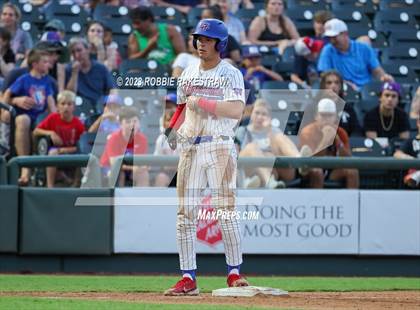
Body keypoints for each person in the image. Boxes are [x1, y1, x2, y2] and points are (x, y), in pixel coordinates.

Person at [163, 18, 248, 295]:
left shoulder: (230, 72)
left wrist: (205, 103)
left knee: (226, 210)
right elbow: (181, 107)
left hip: (220, 145)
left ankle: (234, 273)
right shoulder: (187, 72)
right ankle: (188, 277)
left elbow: (236, 110)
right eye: (199, 38)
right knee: (184, 214)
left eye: (208, 39)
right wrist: (172, 130)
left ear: (220, 44)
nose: (201, 42)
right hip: (191, 147)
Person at [2, 49, 56, 185]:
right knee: (23, 120)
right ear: (35, 64)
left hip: (40, 118)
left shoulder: (47, 81)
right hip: (23, 116)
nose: (49, 65)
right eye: (45, 62)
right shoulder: (24, 79)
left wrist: (55, 118)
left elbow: (50, 102)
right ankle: (25, 167)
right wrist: (10, 105)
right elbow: (7, 94)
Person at [236, 99, 301, 188]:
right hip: (247, 170)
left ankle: (300, 160)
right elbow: (237, 156)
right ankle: (269, 181)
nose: (259, 117)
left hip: (273, 170)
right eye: (257, 113)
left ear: (269, 117)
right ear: (251, 114)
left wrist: (269, 130)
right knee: (252, 147)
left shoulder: (273, 131)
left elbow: (278, 153)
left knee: (279, 137)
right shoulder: (242, 131)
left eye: (264, 114)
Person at [317, 18, 393, 90]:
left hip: (365, 89)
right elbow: (325, 75)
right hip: (342, 91)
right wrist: (344, 84)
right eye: (330, 38)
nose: (332, 41)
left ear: (345, 34)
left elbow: (376, 70)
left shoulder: (364, 48)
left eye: (334, 37)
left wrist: (384, 77)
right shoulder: (328, 50)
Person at [300, 98, 359, 189]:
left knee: (352, 171)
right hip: (312, 170)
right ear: (316, 116)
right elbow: (311, 161)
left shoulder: (340, 132)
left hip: (332, 169)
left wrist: (338, 142)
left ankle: (351, 201)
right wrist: (326, 140)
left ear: (335, 117)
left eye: (330, 116)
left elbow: (349, 159)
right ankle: (318, 203)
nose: (326, 119)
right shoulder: (307, 132)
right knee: (317, 171)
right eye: (323, 116)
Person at [33, 90, 85, 188]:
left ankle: (76, 184)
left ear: (74, 107)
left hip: (72, 152)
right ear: (57, 106)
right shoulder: (52, 118)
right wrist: (51, 133)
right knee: (52, 153)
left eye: (69, 104)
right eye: (63, 104)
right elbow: (36, 131)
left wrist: (64, 150)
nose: (66, 107)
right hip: (54, 151)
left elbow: (82, 145)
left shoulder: (78, 123)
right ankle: (50, 186)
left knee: (84, 156)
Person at [100, 106, 149, 187]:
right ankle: (119, 199)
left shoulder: (142, 139)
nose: (132, 125)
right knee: (120, 174)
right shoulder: (113, 138)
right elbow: (114, 164)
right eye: (128, 122)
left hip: (130, 169)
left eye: (135, 121)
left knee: (144, 174)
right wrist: (134, 168)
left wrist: (143, 167)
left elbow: (141, 162)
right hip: (109, 168)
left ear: (139, 123)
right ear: (120, 124)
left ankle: (141, 199)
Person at [304, 70, 362, 137]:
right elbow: (305, 132)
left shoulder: (348, 108)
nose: (333, 86)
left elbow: (357, 132)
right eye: (329, 83)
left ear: (340, 86)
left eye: (337, 83)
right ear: (323, 86)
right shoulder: (312, 108)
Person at [65, 37, 116, 104]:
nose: (77, 55)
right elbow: (69, 94)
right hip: (79, 105)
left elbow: (112, 89)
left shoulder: (100, 68)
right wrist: (75, 73)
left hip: (99, 105)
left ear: (88, 50)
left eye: (79, 50)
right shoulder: (69, 69)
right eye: (73, 52)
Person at [394, 115, 420, 188]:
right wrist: (412, 160)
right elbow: (397, 154)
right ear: (418, 123)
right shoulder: (410, 141)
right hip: (414, 173)